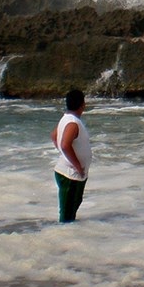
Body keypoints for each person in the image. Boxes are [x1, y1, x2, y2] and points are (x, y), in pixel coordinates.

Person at [51, 89, 92, 223]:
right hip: (70, 174)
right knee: (67, 216)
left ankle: (69, 236)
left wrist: (64, 155)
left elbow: (54, 136)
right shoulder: (73, 123)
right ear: (82, 105)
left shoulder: (66, 118)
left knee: (72, 207)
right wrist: (78, 166)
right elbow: (65, 145)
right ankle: (63, 240)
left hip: (71, 173)